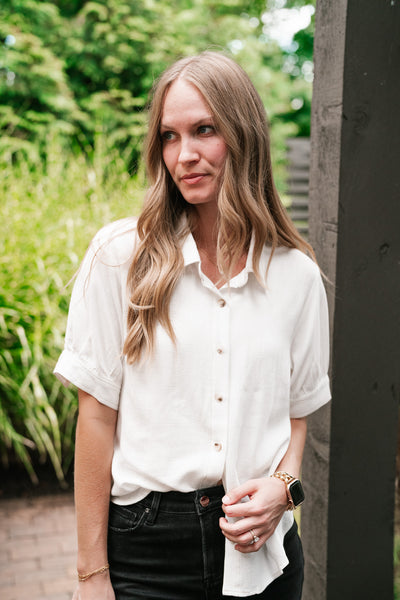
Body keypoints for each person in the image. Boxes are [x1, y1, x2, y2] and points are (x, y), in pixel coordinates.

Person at [54, 51, 331, 600]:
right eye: (169, 136)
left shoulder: (297, 276)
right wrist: (92, 575)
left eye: (205, 130)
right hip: (145, 550)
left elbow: (297, 415)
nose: (185, 155)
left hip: (263, 553)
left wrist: (285, 489)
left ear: (244, 134)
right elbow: (96, 420)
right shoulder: (118, 257)